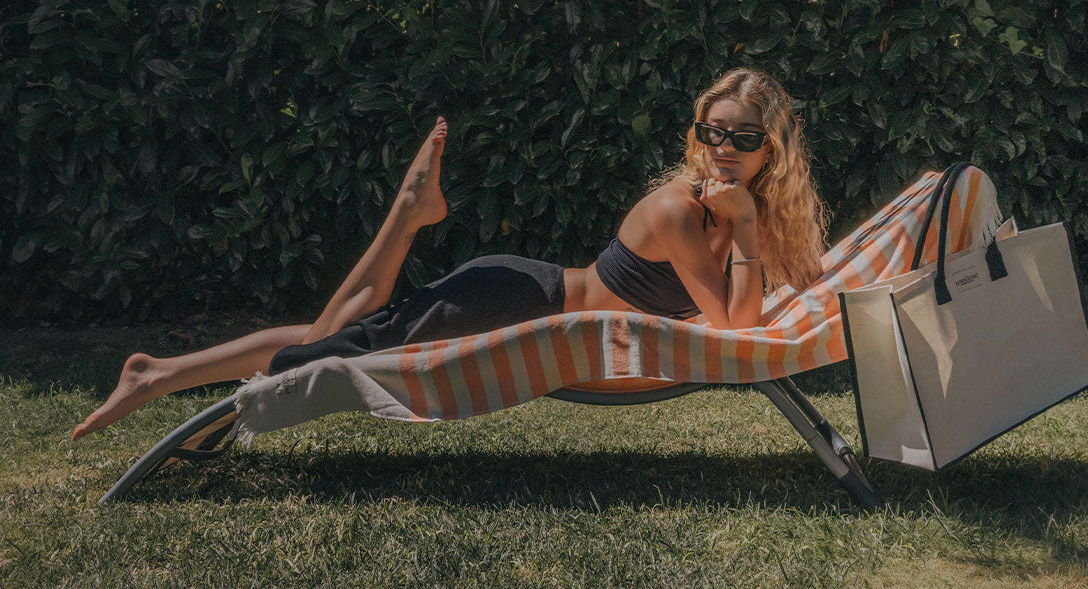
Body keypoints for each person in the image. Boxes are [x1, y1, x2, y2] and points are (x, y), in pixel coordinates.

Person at [73, 68, 828, 440]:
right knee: (326, 356)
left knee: (336, 333)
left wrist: (758, 229)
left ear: (773, 150)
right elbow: (737, 328)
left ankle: (158, 372)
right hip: (512, 304)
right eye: (712, 131)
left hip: (528, 302)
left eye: (744, 137)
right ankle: (405, 218)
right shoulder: (680, 210)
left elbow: (780, 294)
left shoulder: (742, 209)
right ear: (698, 134)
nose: (723, 148)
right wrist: (747, 230)